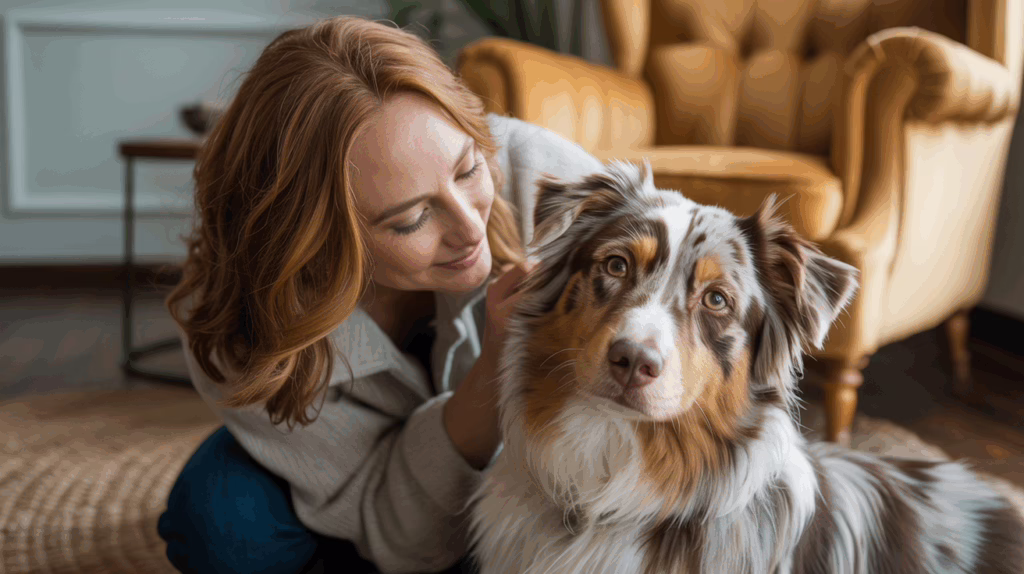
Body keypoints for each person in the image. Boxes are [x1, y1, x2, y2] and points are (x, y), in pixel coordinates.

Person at [156, 15, 605, 574]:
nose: (470, 228)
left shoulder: (534, 170)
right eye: (412, 218)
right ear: (315, 241)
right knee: (222, 516)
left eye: (467, 170)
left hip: (530, 471)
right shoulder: (237, 332)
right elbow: (402, 533)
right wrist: (500, 360)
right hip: (385, 500)